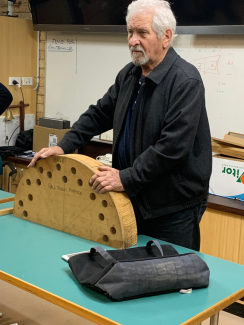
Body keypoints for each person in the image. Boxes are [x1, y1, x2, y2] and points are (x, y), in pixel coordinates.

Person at [29, 0, 212, 251]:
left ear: (166, 37)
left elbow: (172, 148)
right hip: (131, 198)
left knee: (170, 278)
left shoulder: (185, 81)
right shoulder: (130, 74)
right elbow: (99, 114)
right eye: (130, 32)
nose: (132, 40)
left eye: (142, 33)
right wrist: (64, 146)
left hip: (171, 209)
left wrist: (126, 177)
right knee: (130, 274)